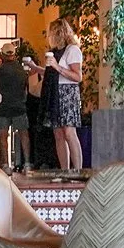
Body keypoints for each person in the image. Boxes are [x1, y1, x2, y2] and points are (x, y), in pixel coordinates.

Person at [44, 20, 85, 172]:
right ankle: (64, 170)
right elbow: (53, 74)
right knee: (58, 133)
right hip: (55, 92)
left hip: (68, 93)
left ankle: (78, 170)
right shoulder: (55, 51)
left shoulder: (72, 50)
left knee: (69, 131)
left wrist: (56, 66)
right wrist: (38, 68)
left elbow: (77, 76)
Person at [0, 46, 33, 167]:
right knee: (24, 134)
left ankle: (5, 164)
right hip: (19, 106)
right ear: (14, 54)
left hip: (2, 107)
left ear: (3, 55)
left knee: (3, 136)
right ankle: (27, 163)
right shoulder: (22, 70)